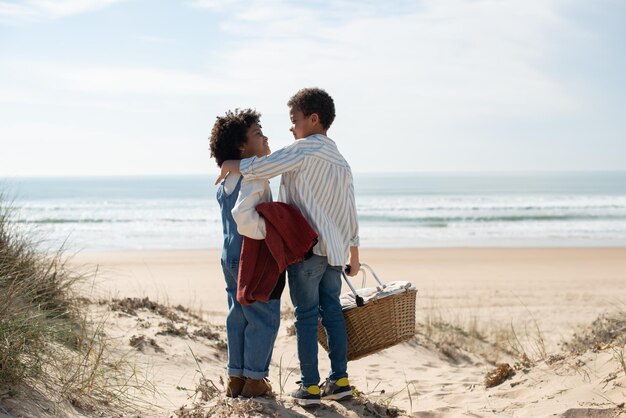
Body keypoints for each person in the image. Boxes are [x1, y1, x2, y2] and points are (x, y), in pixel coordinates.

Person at [215, 88, 360, 406]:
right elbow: (350, 210)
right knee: (332, 313)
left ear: (313, 119)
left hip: (305, 248)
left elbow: (262, 167)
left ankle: (309, 385)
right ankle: (340, 380)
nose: (291, 128)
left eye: (294, 120)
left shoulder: (303, 148)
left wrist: (231, 162)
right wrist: (354, 252)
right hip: (334, 251)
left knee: (306, 316)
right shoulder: (341, 160)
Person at [209, 108, 280, 398]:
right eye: (257, 133)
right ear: (242, 146)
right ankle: (255, 380)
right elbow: (245, 217)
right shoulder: (253, 177)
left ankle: (235, 376)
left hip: (229, 256)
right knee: (263, 315)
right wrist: (272, 230)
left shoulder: (227, 180)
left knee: (237, 315)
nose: (265, 136)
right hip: (252, 256)